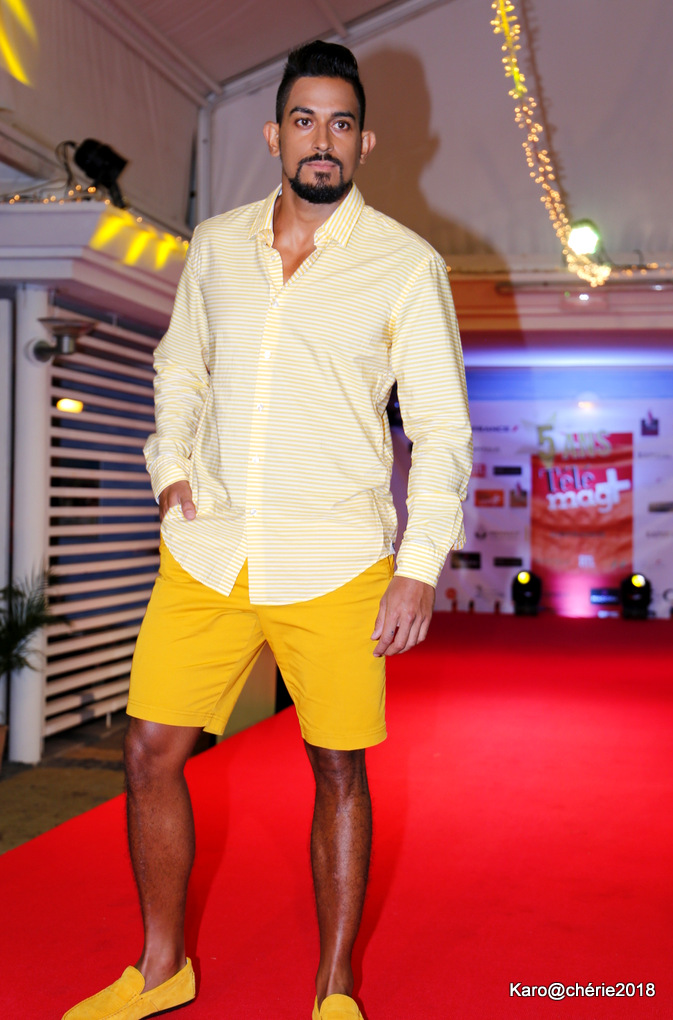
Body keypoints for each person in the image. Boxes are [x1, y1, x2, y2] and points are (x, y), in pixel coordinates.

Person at [63, 40, 472, 1020]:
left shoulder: (405, 266)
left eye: (340, 123)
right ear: (273, 135)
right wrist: (169, 469)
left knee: (336, 766)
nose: (321, 140)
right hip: (210, 545)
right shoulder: (214, 246)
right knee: (149, 749)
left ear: (364, 142)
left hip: (336, 558)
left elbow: (443, 429)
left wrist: (418, 567)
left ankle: (334, 988)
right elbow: (180, 366)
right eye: (303, 120)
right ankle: (162, 968)